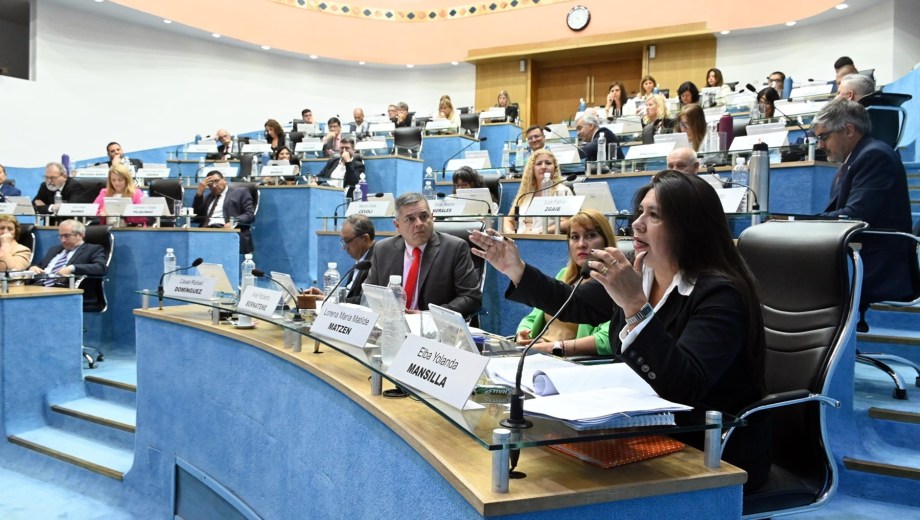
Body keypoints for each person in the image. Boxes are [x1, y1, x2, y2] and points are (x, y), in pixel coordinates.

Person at [470, 170, 771, 492]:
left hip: (709, 447)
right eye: (640, 211)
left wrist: (634, 305)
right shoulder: (643, 273)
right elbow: (573, 303)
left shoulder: (720, 294)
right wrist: (514, 268)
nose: (637, 223)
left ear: (689, 227)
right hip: (640, 430)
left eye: (653, 215)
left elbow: (685, 387)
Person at [814, 99, 913, 322]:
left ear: (848, 130)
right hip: (861, 254)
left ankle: (817, 351)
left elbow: (855, 215)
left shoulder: (874, 155)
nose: (820, 145)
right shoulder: (856, 159)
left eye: (824, 137)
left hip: (878, 262)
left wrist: (807, 224)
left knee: (798, 274)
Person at [364, 192, 481, 318]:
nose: (419, 223)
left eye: (424, 216)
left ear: (432, 217)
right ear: (397, 225)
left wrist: (428, 316)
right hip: (391, 324)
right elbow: (369, 294)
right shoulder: (383, 250)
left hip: (434, 328)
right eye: (410, 219)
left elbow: (471, 297)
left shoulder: (455, 248)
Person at [515, 209, 615, 356]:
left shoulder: (613, 283)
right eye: (574, 237)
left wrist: (552, 347)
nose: (581, 244)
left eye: (590, 235)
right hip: (537, 352)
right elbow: (532, 317)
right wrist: (522, 335)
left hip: (569, 362)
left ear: (606, 241)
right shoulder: (564, 274)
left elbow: (608, 339)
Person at [504, 149, 573, 234]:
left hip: (547, 241)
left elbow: (568, 222)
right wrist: (510, 232)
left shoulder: (562, 191)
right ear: (532, 169)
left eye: (548, 163)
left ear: (555, 168)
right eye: (539, 163)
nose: (543, 167)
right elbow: (509, 219)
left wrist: (539, 232)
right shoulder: (526, 193)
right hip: (521, 239)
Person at [193, 170, 256, 254]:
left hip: (227, 232)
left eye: (216, 181)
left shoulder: (240, 192)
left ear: (224, 179)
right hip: (207, 233)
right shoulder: (208, 197)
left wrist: (234, 221)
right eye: (210, 184)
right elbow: (197, 215)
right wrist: (199, 194)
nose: (214, 186)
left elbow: (250, 215)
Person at [29, 219, 107, 286]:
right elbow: (41, 265)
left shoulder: (93, 249)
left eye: (66, 236)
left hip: (65, 289)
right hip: (38, 285)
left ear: (80, 235)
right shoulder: (54, 249)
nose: (63, 240)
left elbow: (101, 268)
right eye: (60, 236)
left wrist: (73, 268)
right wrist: (34, 267)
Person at [340, 214, 376, 304]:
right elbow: (350, 294)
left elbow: (364, 301)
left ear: (365, 238)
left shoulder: (376, 262)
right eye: (343, 241)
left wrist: (334, 301)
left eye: (347, 241)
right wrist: (326, 296)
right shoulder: (361, 259)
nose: (344, 247)